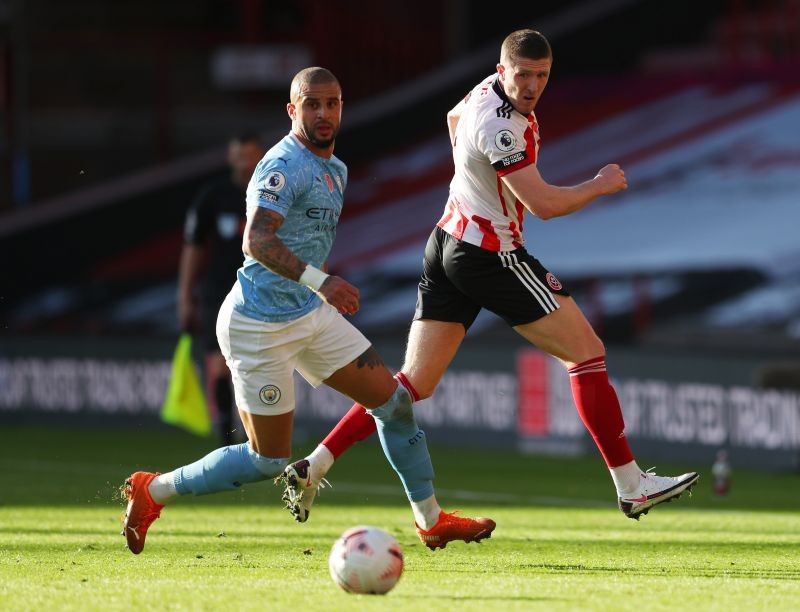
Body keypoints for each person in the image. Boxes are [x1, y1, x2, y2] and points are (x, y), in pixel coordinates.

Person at [278, 30, 699, 524]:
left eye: (541, 75)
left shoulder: (484, 92)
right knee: (587, 353)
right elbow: (541, 204)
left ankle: (315, 463)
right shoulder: (504, 128)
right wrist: (599, 185)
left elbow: (453, 119)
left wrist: (472, 183)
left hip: (447, 243)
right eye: (523, 75)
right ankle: (631, 485)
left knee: (411, 384)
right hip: (489, 254)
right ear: (504, 71)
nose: (532, 85)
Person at [120, 67, 495, 555]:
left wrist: (318, 289)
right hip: (257, 324)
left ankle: (430, 521)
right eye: (312, 104)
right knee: (267, 460)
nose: (323, 113)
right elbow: (256, 241)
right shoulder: (282, 164)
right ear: (292, 110)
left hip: (307, 314)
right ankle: (153, 491)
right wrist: (325, 282)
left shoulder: (335, 168)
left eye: (332, 103)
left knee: (394, 402)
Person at [177, 134, 266, 445]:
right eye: (238, 156)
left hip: (261, 292)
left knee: (256, 366)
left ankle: (259, 432)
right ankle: (227, 437)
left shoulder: (273, 194)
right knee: (219, 366)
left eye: (250, 155)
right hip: (219, 292)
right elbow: (193, 247)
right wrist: (185, 296)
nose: (244, 162)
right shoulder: (213, 196)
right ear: (230, 158)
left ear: (260, 157)